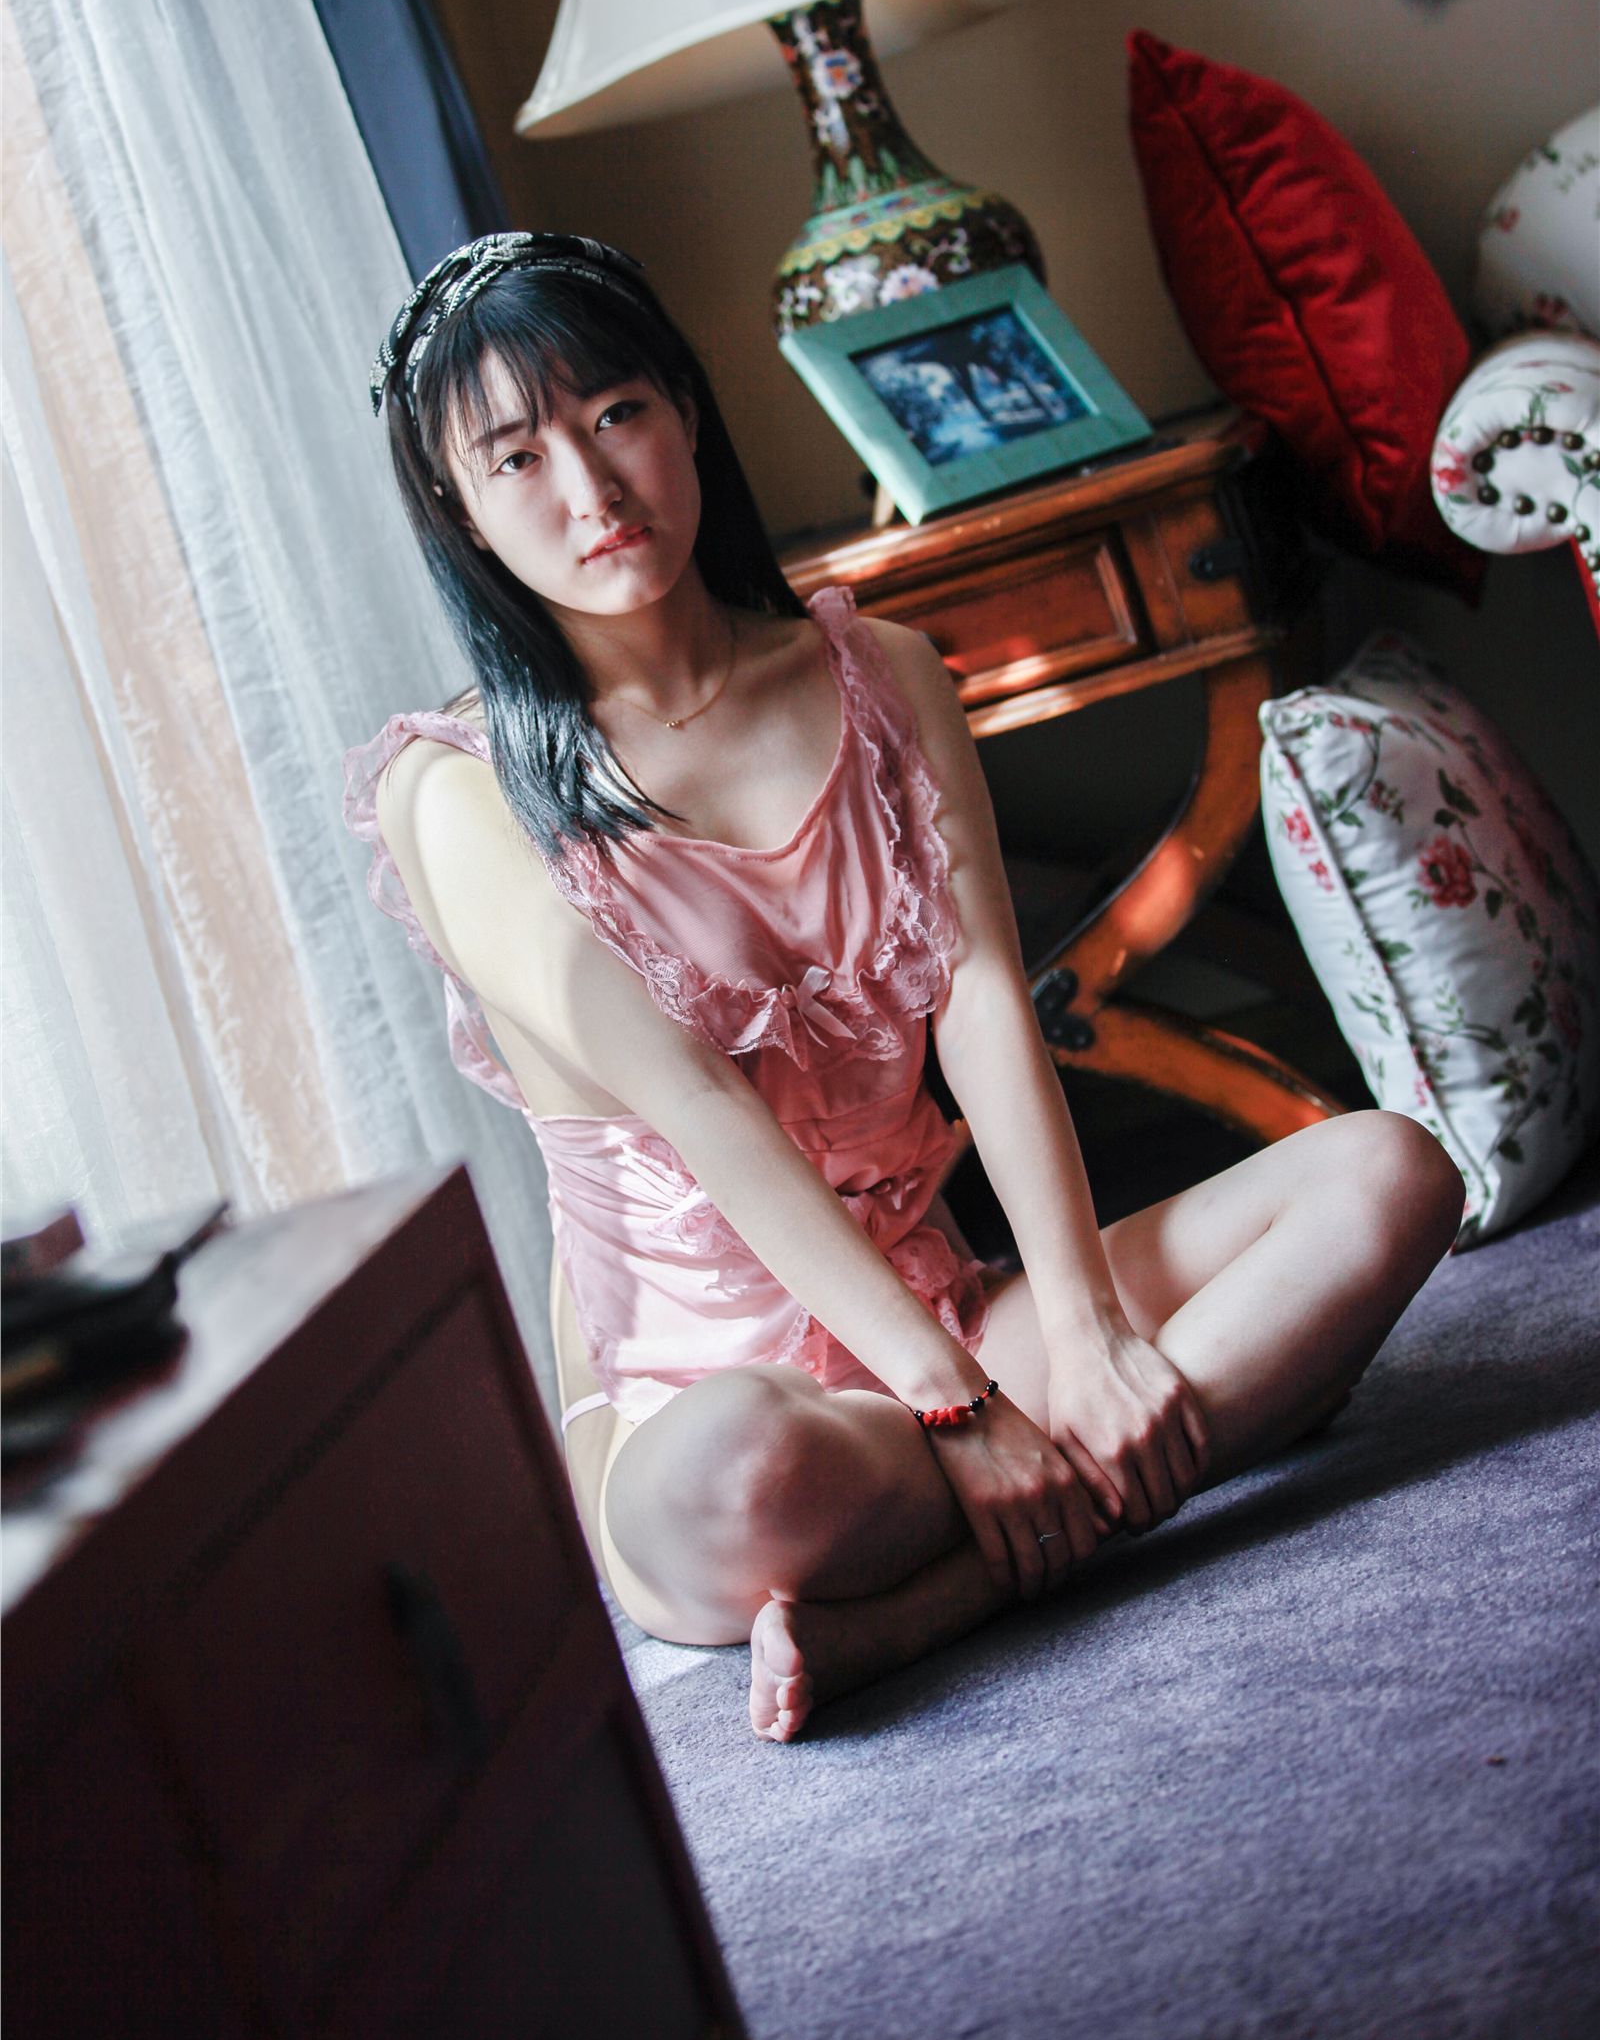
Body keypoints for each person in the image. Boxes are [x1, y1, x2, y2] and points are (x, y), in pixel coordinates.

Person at [343, 231, 1467, 1744]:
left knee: (1389, 1174)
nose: (592, 488)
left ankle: (934, 1602)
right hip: (712, 1410)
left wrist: (1083, 1330)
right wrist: (955, 1409)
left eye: (616, 415)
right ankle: (1122, 1453)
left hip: (958, 1314)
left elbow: (986, 994)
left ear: (685, 411)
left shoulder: (883, 675)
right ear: (460, 509)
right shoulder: (463, 796)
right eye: (518, 457)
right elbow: (704, 1111)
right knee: (749, 1471)